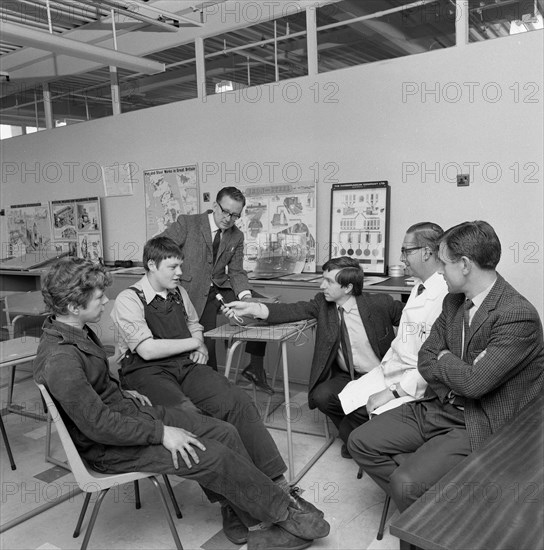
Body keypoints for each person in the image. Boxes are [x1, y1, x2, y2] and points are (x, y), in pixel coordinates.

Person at [34, 257, 330, 550]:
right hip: (110, 446)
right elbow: (99, 426)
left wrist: (123, 393)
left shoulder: (77, 330)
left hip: (130, 415)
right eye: (99, 297)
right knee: (212, 454)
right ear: (74, 306)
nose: (106, 300)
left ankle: (254, 515)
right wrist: (162, 433)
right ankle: (281, 515)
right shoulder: (61, 360)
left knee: (224, 431)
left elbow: (97, 388)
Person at [111, 236, 321, 546]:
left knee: (235, 401)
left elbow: (194, 324)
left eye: (180, 265)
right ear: (151, 265)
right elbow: (147, 349)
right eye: (173, 266)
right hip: (147, 372)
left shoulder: (178, 292)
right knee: (193, 419)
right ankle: (231, 505)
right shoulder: (128, 299)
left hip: (185, 364)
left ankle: (278, 486)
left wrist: (201, 348)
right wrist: (195, 343)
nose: (180, 272)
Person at [347, 220, 544, 512]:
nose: (439, 271)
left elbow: (474, 384)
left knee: (405, 483)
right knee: (360, 441)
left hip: (479, 419)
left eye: (445, 263)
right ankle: (435, 509)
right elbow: (426, 358)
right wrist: (453, 365)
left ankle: (430, 514)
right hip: (440, 404)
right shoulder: (453, 301)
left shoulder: (516, 314)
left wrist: (445, 358)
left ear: (464, 264)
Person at [223, 256, 404, 458]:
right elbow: (290, 310)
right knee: (321, 395)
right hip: (348, 376)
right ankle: (355, 436)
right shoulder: (322, 305)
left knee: (369, 417)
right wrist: (252, 308)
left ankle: (356, 436)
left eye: (329, 281)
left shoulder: (381, 303)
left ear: (348, 287)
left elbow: (415, 320)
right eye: (322, 279)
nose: (321, 285)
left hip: (380, 376)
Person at [338, 222, 448, 443]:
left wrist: (394, 391)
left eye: (407, 251)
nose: (401, 258)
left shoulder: (444, 294)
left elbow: (433, 361)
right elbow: (405, 339)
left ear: (427, 252)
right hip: (393, 369)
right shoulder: (419, 286)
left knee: (356, 429)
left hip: (413, 380)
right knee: (341, 402)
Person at [159, 186, 272, 394]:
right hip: (190, 290)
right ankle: (209, 392)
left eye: (235, 215)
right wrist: (171, 279)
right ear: (214, 206)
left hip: (220, 286)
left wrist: (246, 298)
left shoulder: (236, 236)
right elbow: (158, 249)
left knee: (265, 308)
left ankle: (254, 369)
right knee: (205, 346)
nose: (229, 219)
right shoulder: (188, 223)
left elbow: (236, 271)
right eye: (225, 212)